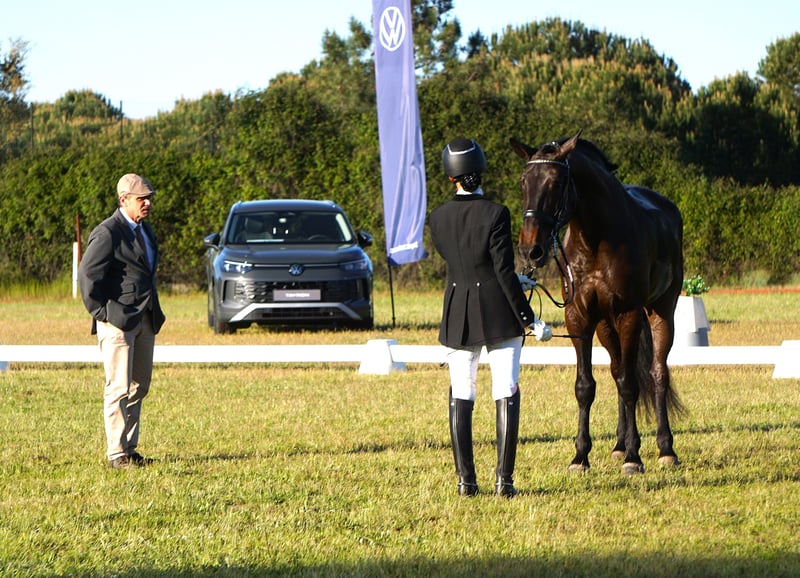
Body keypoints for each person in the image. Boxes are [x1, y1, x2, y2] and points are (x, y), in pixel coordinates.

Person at [429, 138, 552, 497]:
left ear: (451, 178)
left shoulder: (437, 218)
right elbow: (501, 270)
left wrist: (510, 279)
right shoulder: (496, 213)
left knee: (462, 391)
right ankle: (504, 482)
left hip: (458, 312)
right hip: (499, 311)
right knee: (505, 389)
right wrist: (529, 317)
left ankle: (466, 482)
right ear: (481, 171)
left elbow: (463, 263)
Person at [78, 173, 166, 469]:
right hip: (117, 321)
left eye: (149, 198)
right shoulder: (108, 232)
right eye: (142, 198)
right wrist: (103, 313)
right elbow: (87, 275)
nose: (147, 203)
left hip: (145, 318)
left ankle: (129, 448)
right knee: (118, 387)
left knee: (140, 386)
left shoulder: (145, 230)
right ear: (123, 200)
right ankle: (117, 453)